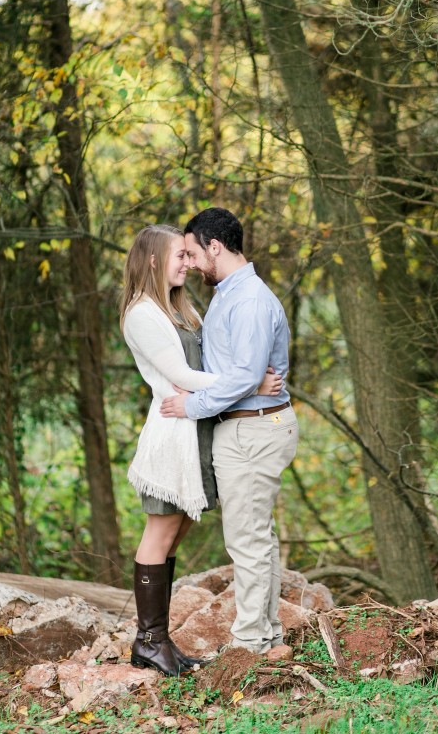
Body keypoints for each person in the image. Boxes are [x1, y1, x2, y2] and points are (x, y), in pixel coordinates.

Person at [120, 224, 281, 676]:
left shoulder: (178, 307)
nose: (188, 264)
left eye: (190, 256)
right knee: (160, 534)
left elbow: (211, 364)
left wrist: (240, 374)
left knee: (177, 535)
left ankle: (157, 642)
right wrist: (251, 382)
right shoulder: (141, 314)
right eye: (179, 256)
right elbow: (181, 376)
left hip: (197, 433)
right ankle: (149, 641)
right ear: (153, 260)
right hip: (172, 436)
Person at [161, 208, 299, 656]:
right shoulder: (227, 294)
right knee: (256, 537)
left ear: (214, 247)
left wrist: (191, 406)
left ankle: (249, 644)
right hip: (244, 427)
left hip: (254, 430)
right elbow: (236, 371)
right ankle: (267, 634)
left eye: (194, 253)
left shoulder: (251, 300)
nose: (192, 264)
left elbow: (242, 377)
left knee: (247, 540)